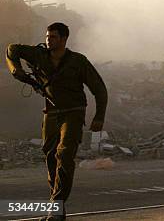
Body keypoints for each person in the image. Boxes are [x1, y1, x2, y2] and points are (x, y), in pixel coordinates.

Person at [5, 22, 107, 220]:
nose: (48, 40)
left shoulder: (78, 61)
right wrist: (17, 71)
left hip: (74, 113)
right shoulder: (39, 55)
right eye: (47, 37)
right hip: (51, 113)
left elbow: (99, 89)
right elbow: (12, 49)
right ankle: (57, 209)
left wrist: (99, 116)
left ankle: (56, 205)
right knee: (50, 156)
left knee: (65, 154)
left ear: (63, 39)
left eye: (53, 37)